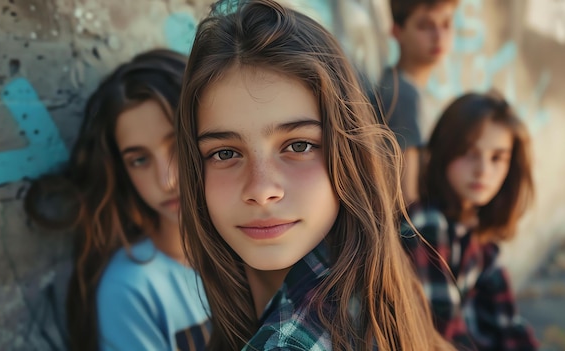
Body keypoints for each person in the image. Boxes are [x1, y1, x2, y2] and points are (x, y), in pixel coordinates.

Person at [176, 1, 456, 350]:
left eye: (298, 146)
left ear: (348, 153)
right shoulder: (376, 277)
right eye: (225, 153)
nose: (262, 190)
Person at [24, 49, 210, 351]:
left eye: (177, 145)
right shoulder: (132, 288)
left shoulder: (258, 247)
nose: (167, 181)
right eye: (139, 160)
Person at [401, 92, 538, 350]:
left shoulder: (478, 231)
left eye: (497, 157)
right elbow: (444, 334)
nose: (483, 171)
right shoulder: (427, 224)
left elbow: (507, 322)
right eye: (468, 152)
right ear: (445, 151)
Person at [368, 0, 458, 204]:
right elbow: (408, 196)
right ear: (397, 32)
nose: (438, 36)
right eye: (425, 26)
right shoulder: (403, 94)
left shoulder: (407, 87)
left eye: (446, 24)